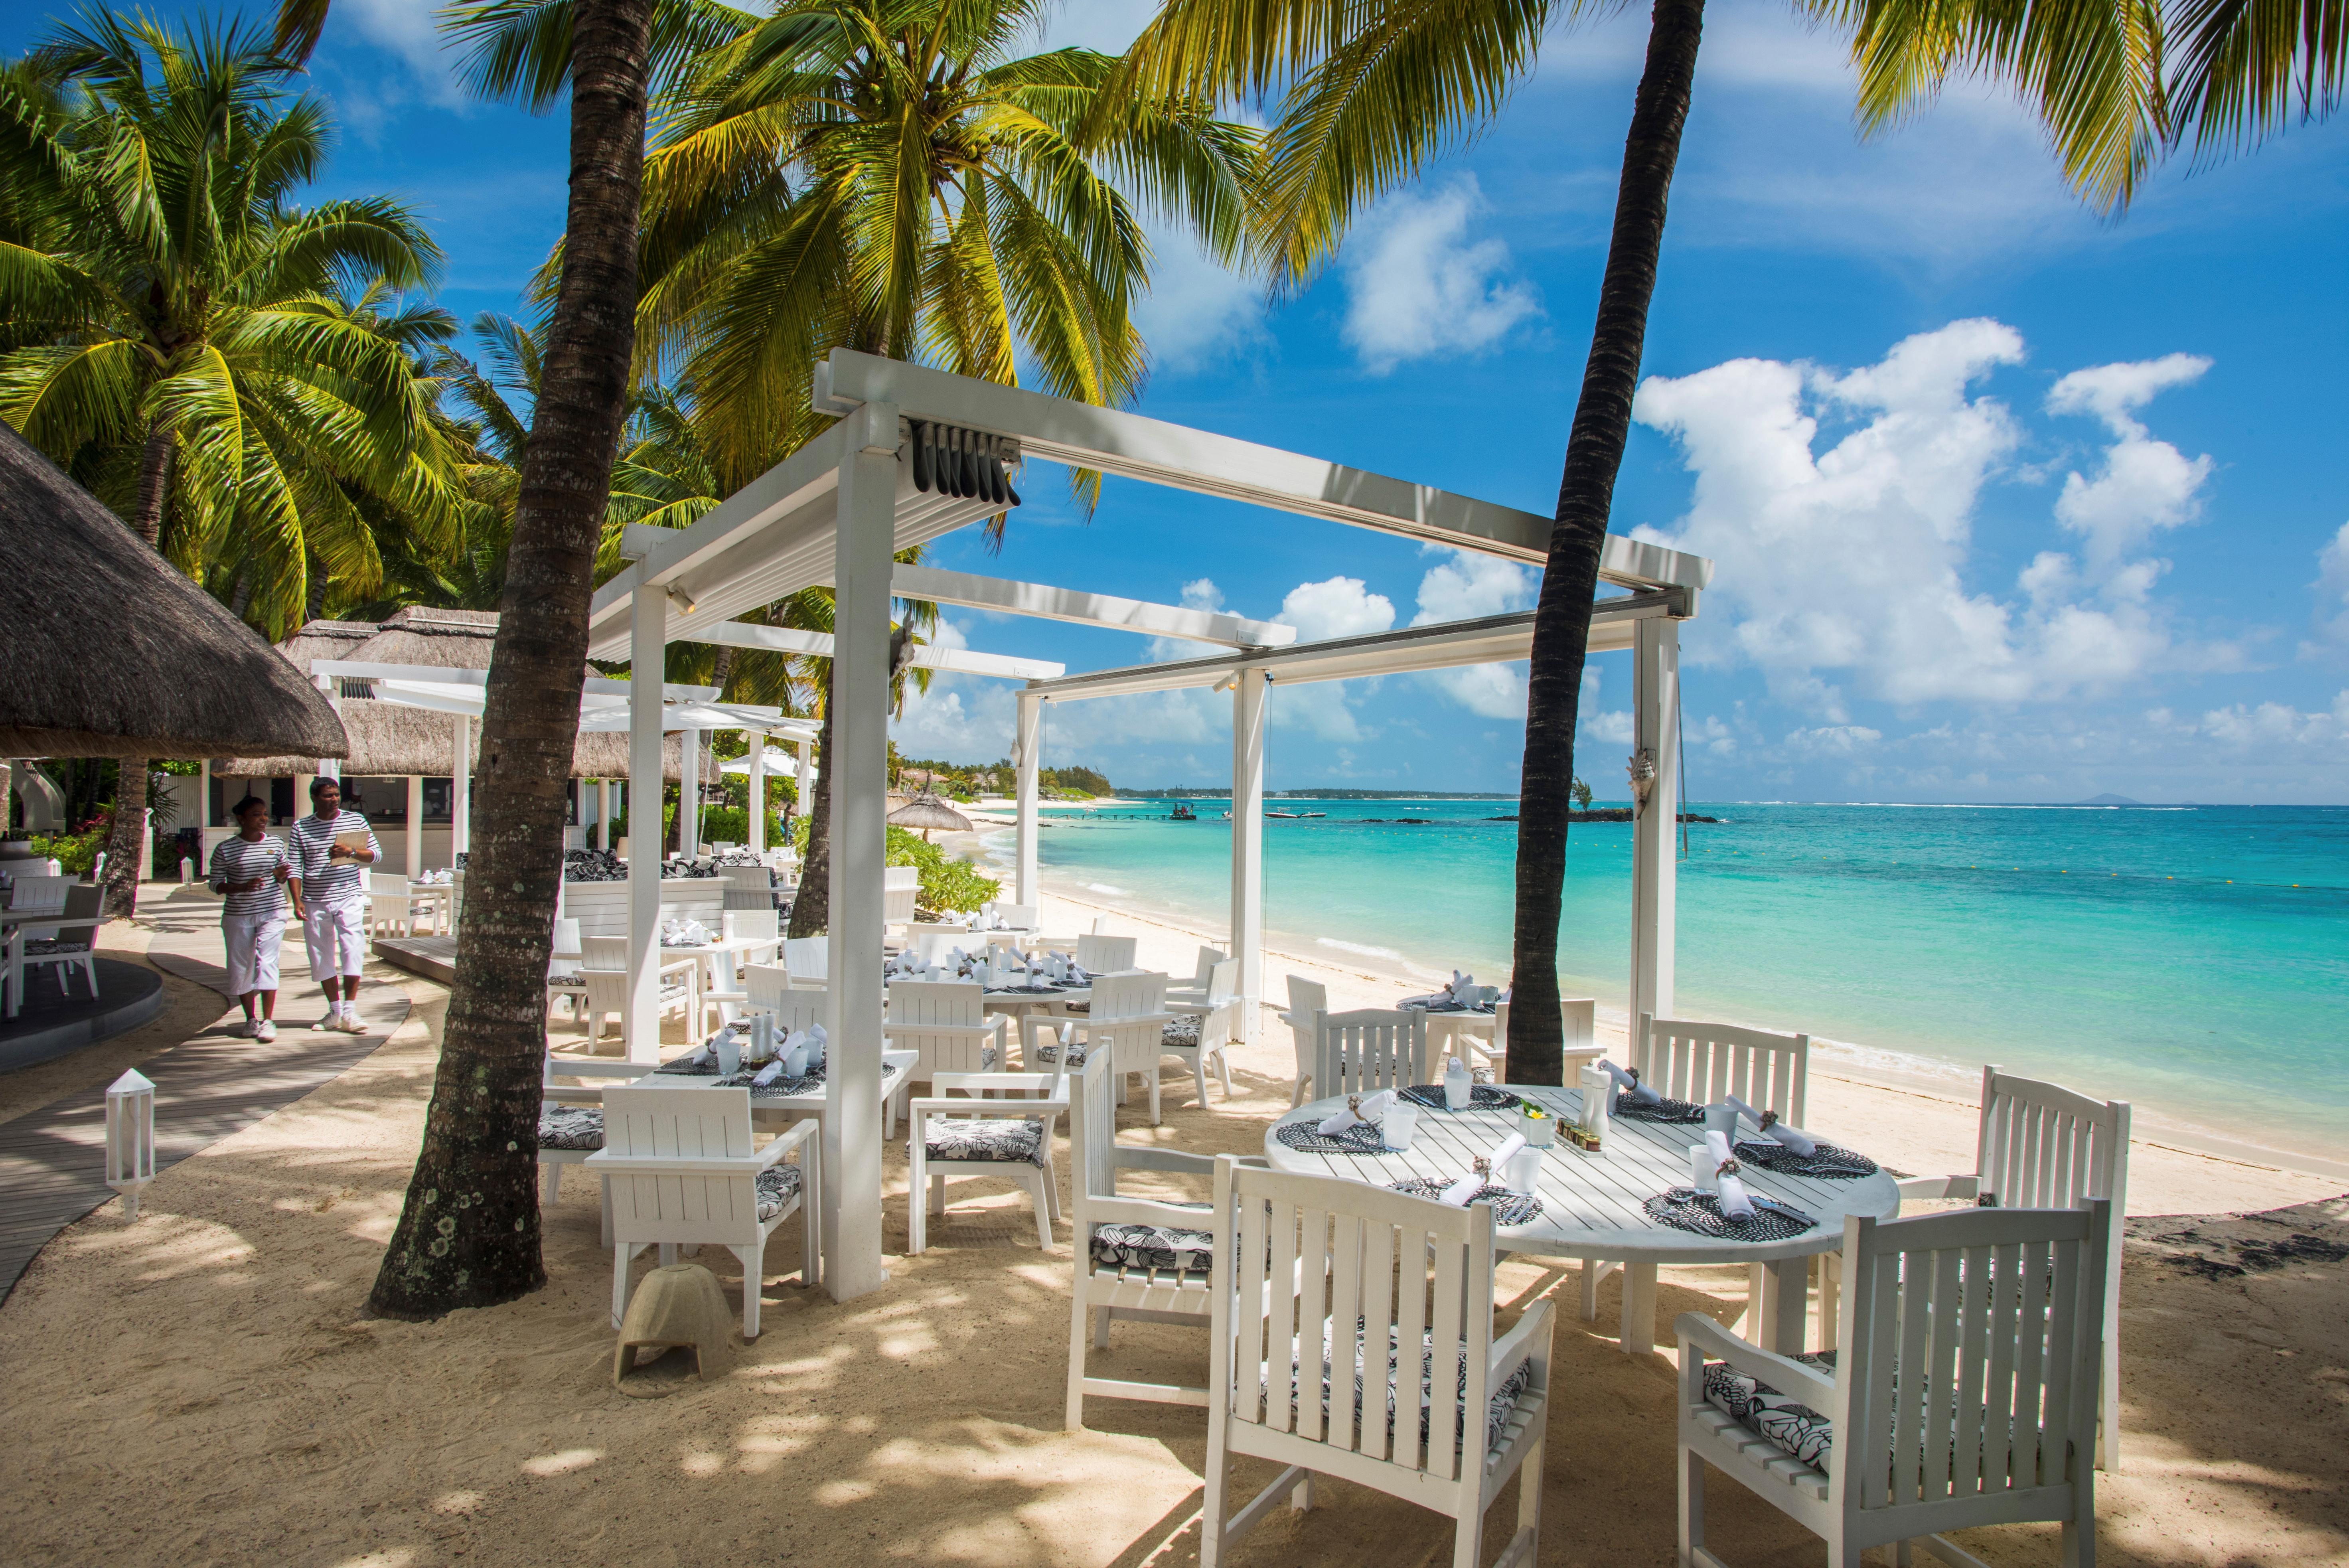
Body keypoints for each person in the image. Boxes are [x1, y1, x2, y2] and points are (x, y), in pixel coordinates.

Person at [289, 776, 379, 1032]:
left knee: (353, 948)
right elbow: (295, 865)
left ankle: (351, 1011)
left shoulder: (355, 820)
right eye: (328, 796)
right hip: (315, 899)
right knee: (320, 954)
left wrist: (351, 852)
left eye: (337, 794)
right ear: (315, 798)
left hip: (349, 895)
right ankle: (335, 1011)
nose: (334, 799)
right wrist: (297, 901)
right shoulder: (301, 828)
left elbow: (376, 855)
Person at [207, 795, 298, 1041]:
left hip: (273, 911)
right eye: (257, 815)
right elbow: (215, 884)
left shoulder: (277, 844)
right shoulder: (225, 849)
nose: (264, 819)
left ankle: (269, 1021)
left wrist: (280, 876)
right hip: (238, 915)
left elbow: (282, 877)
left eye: (265, 814)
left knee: (267, 961)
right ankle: (251, 1019)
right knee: (241, 966)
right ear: (242, 819)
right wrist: (240, 887)